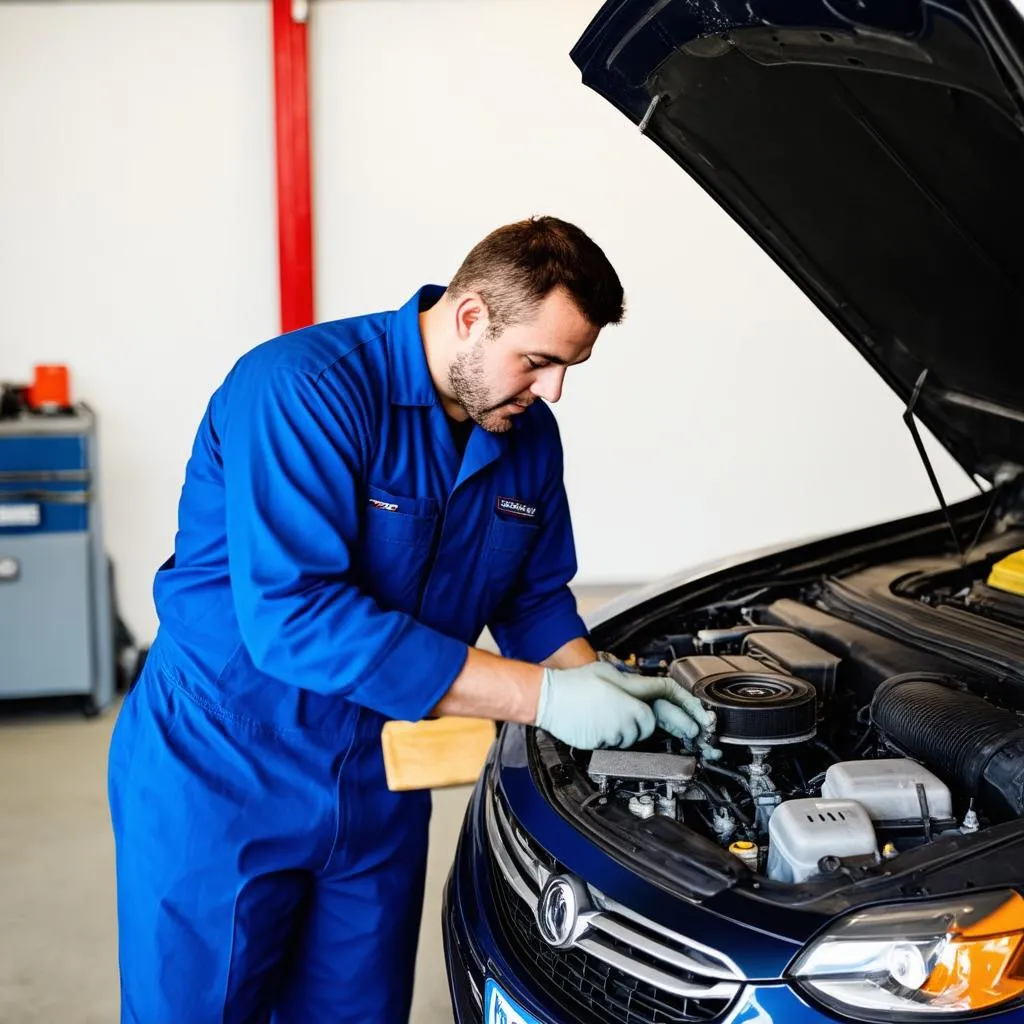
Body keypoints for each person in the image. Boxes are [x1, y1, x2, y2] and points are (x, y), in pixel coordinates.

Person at [107, 216, 714, 1023]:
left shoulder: (526, 435)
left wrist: (600, 689)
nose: (553, 392)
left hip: (380, 776)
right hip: (222, 768)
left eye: (570, 368)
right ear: (470, 317)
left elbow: (530, 597)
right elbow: (296, 618)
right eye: (537, 361)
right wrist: (543, 700)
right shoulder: (301, 390)